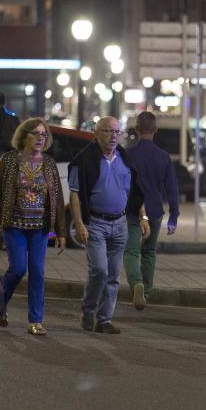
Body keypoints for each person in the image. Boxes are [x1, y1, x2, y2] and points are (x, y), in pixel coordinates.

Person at [0, 118, 67, 335]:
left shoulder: (48, 163)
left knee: (38, 272)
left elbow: (57, 199)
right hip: (14, 225)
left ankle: (35, 321)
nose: (40, 138)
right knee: (18, 268)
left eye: (44, 135)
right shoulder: (9, 160)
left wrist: (61, 231)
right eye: (36, 134)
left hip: (40, 228)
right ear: (24, 136)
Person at [69, 116, 149, 334]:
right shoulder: (84, 160)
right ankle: (88, 309)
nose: (113, 136)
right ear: (97, 133)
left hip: (120, 224)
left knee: (113, 275)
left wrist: (143, 217)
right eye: (108, 131)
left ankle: (104, 320)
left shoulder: (125, 158)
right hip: (95, 223)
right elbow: (74, 195)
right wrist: (79, 223)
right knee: (99, 271)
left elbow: (133, 192)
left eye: (116, 132)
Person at [123, 112, 180, 311]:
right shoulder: (163, 157)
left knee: (130, 251)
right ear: (155, 130)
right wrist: (174, 216)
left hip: (133, 210)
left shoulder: (128, 154)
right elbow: (172, 188)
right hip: (155, 210)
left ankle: (136, 283)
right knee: (149, 253)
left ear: (137, 130)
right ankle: (145, 292)